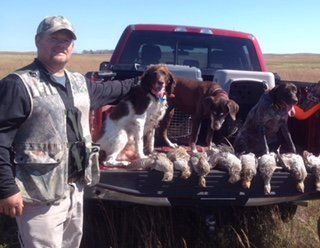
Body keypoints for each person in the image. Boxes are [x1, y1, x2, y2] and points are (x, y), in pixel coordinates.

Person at [0, 16, 138, 247]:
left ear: (73, 47)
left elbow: (115, 90)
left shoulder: (79, 83)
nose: (61, 44)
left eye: (67, 40)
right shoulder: (18, 84)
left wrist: (147, 80)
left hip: (75, 189)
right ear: (38, 41)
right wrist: (6, 189)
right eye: (54, 38)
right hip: (38, 196)